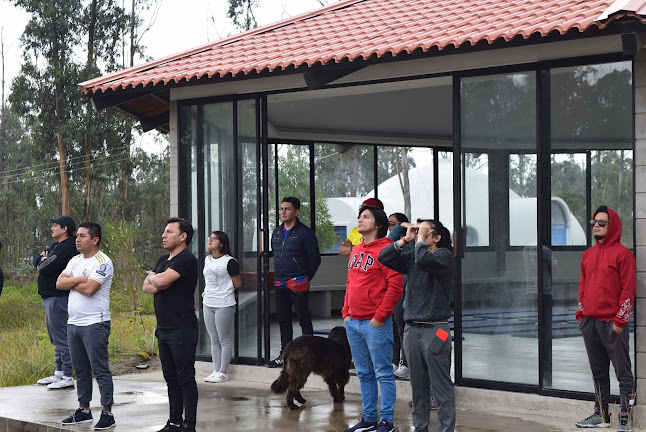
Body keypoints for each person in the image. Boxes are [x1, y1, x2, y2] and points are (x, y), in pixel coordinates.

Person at [379, 219, 456, 432]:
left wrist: (419, 240)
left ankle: (445, 429)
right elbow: (384, 257)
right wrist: (405, 239)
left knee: (441, 387)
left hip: (436, 329)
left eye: (424, 230)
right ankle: (420, 428)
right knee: (418, 388)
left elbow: (423, 261)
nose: (419, 233)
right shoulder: (414, 254)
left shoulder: (444, 256)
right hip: (411, 329)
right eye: (419, 229)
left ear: (437, 237)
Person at [343, 205, 403, 432]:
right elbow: (350, 282)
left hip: (374, 323)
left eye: (365, 217)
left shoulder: (387, 249)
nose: (359, 220)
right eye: (359, 216)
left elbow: (395, 287)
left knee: (383, 373)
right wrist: (346, 312)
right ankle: (368, 420)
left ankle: (386, 421)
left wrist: (380, 317)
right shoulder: (356, 249)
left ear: (378, 225)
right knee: (364, 374)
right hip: (353, 322)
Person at [575, 206, 635, 431]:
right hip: (590, 323)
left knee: (623, 373)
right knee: (598, 373)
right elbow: (582, 286)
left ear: (613, 226)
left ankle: (625, 418)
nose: (596, 226)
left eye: (601, 222)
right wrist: (581, 315)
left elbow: (628, 289)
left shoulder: (623, 254)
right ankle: (601, 415)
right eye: (594, 222)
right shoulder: (588, 255)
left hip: (613, 324)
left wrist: (620, 320)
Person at [56, 222, 116, 429]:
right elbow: (59, 283)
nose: (77, 239)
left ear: (95, 239)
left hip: (95, 323)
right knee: (80, 370)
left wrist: (73, 280)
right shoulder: (74, 260)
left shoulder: (103, 261)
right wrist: (80, 278)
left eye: (82, 236)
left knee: (99, 369)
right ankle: (84, 410)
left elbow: (91, 289)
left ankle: (107, 412)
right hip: (73, 323)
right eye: (77, 236)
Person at [144, 218, 199, 432]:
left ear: (183, 236)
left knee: (185, 378)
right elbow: (147, 288)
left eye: (169, 232)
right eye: (164, 231)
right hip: (164, 329)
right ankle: (174, 422)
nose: (163, 235)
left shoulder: (186, 259)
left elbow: (157, 282)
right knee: (171, 378)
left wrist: (155, 278)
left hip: (182, 328)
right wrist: (156, 278)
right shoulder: (163, 259)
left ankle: (189, 425)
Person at [267, 197, 321, 367]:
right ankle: (284, 356)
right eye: (281, 209)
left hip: (298, 282)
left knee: (304, 319)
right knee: (283, 320)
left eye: (287, 209)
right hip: (280, 283)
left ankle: (310, 356)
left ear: (296, 212)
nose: (283, 212)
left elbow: (315, 259)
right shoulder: (276, 232)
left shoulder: (305, 233)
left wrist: (305, 278)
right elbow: (275, 255)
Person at [33, 215, 78, 389]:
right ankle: (58, 372)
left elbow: (45, 267)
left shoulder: (67, 247)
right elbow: (39, 260)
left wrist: (41, 260)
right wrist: (40, 259)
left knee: (61, 337)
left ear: (64, 229)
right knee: (55, 337)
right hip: (49, 297)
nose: (52, 228)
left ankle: (67, 375)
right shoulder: (56, 246)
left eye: (56, 225)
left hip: (58, 297)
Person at [203, 231, 241, 383]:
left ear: (222, 244)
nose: (210, 240)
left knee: (224, 339)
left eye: (214, 238)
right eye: (209, 238)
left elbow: (237, 283)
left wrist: (224, 290)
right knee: (214, 339)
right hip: (208, 302)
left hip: (224, 303)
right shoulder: (207, 259)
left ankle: (223, 372)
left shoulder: (230, 261)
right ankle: (215, 369)